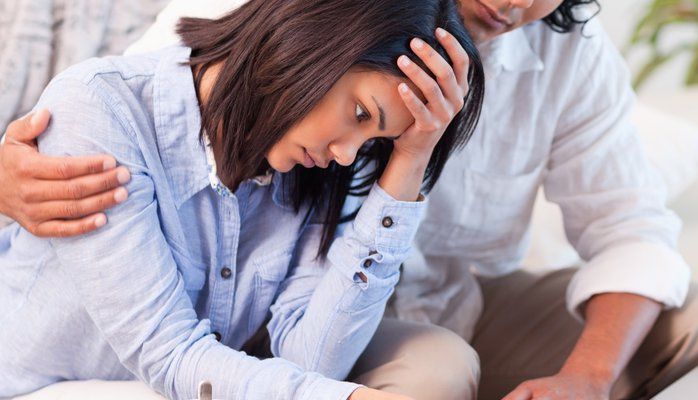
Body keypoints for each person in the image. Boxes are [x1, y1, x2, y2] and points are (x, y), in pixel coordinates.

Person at [0, 1, 698, 399]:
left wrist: (588, 377)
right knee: (436, 371)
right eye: (360, 121)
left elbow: (632, 224)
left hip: (416, 306)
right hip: (245, 343)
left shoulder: (565, 60)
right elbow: (165, 120)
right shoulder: (297, 48)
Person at [0, 0, 483, 398]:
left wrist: (412, 158)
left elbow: (314, 362)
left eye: (374, 140)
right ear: (311, 42)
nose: (346, 154)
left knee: (439, 364)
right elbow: (168, 356)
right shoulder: (103, 109)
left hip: (192, 376)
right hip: (48, 385)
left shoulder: (319, 166)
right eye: (360, 113)